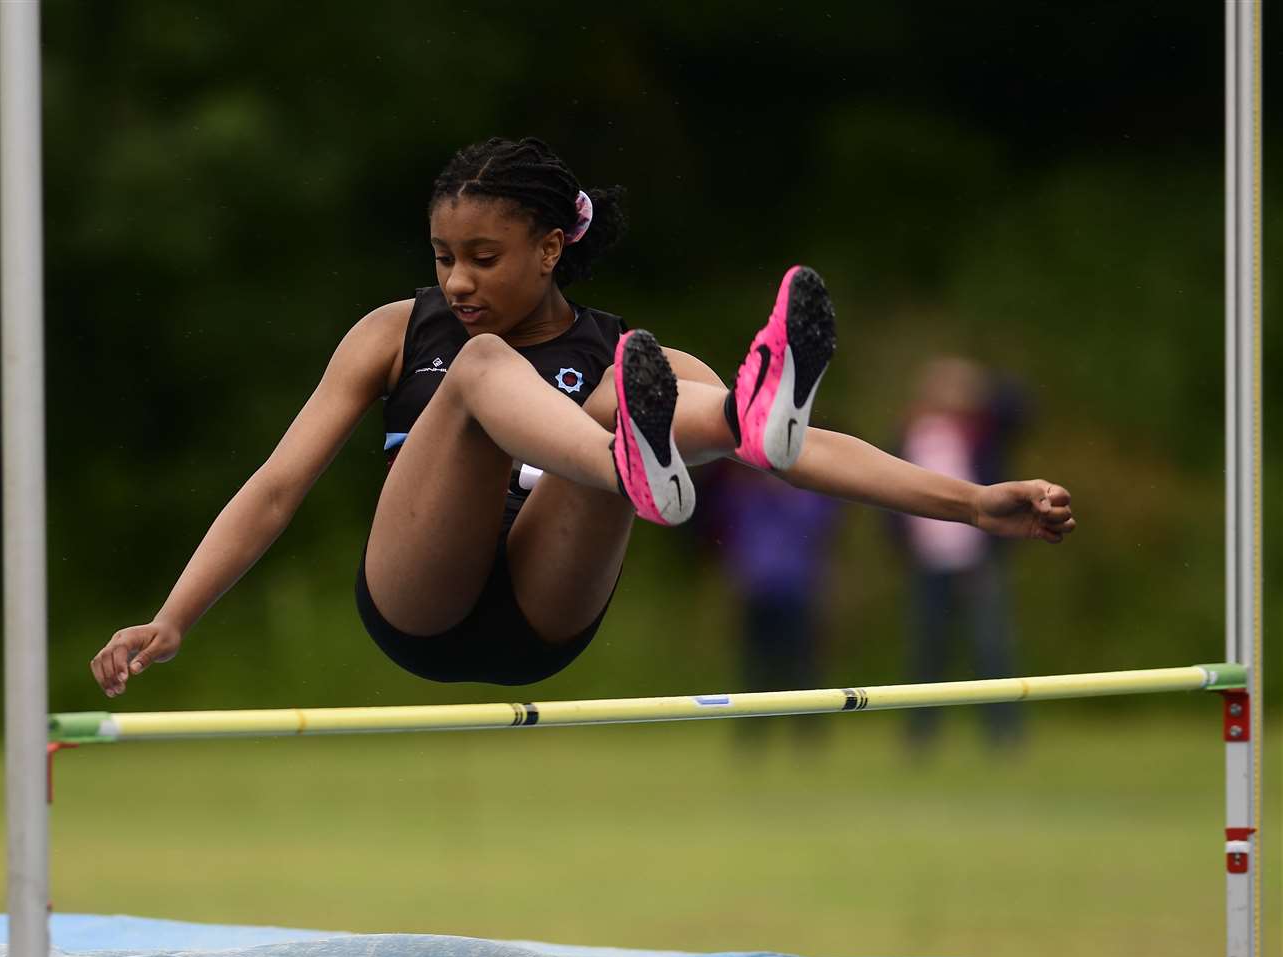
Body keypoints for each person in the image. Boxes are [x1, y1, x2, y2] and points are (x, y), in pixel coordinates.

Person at [90, 137, 1076, 694]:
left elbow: (803, 452)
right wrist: (176, 617)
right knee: (482, 369)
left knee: (637, 389)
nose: (458, 279)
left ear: (554, 248)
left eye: (485, 256)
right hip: (418, 605)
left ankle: (717, 418)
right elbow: (275, 487)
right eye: (444, 256)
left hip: (545, 613)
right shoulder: (401, 333)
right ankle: (648, 458)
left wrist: (972, 503)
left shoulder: (624, 358)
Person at [898, 358, 1029, 753]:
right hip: (928, 560)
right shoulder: (912, 432)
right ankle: (920, 735)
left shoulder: (981, 431)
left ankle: (1004, 734)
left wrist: (978, 391)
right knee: (928, 652)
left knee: (991, 649)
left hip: (977, 559)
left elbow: (1021, 408)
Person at [698, 465, 839, 748]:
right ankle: (753, 732)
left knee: (802, 665)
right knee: (755, 666)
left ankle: (808, 732)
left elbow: (823, 523)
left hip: (796, 588)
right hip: (757, 588)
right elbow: (725, 525)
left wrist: (787, 496)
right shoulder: (746, 494)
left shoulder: (804, 494)